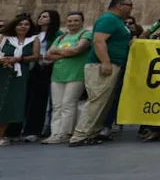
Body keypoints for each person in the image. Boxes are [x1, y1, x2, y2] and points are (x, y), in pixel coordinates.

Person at [68, 0, 133, 146]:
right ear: (119, 6)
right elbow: (98, 40)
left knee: (104, 102)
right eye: (129, 5)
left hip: (114, 64)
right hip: (101, 65)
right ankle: (80, 135)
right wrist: (105, 62)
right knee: (96, 100)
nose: (131, 8)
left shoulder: (117, 21)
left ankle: (92, 132)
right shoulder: (109, 19)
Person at [43, 11, 92, 144]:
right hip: (58, 75)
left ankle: (65, 132)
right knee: (57, 105)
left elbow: (77, 50)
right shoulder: (61, 37)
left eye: (76, 21)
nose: (72, 23)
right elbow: (48, 55)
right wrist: (66, 53)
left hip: (76, 74)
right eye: (70, 21)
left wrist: (57, 52)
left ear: (82, 22)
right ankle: (55, 132)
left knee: (68, 104)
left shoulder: (85, 34)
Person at [0, 14, 41, 147]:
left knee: (11, 103)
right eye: (20, 24)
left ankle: (2, 134)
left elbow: (36, 56)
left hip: (20, 74)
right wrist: (4, 60)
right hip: (3, 71)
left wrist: (19, 59)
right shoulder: (4, 38)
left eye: (26, 24)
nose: (23, 27)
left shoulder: (34, 39)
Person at [22, 9, 62, 142]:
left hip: (48, 67)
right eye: (40, 16)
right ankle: (26, 128)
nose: (41, 18)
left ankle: (38, 129)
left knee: (44, 100)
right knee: (29, 99)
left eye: (45, 16)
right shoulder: (33, 34)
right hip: (32, 67)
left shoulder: (58, 35)